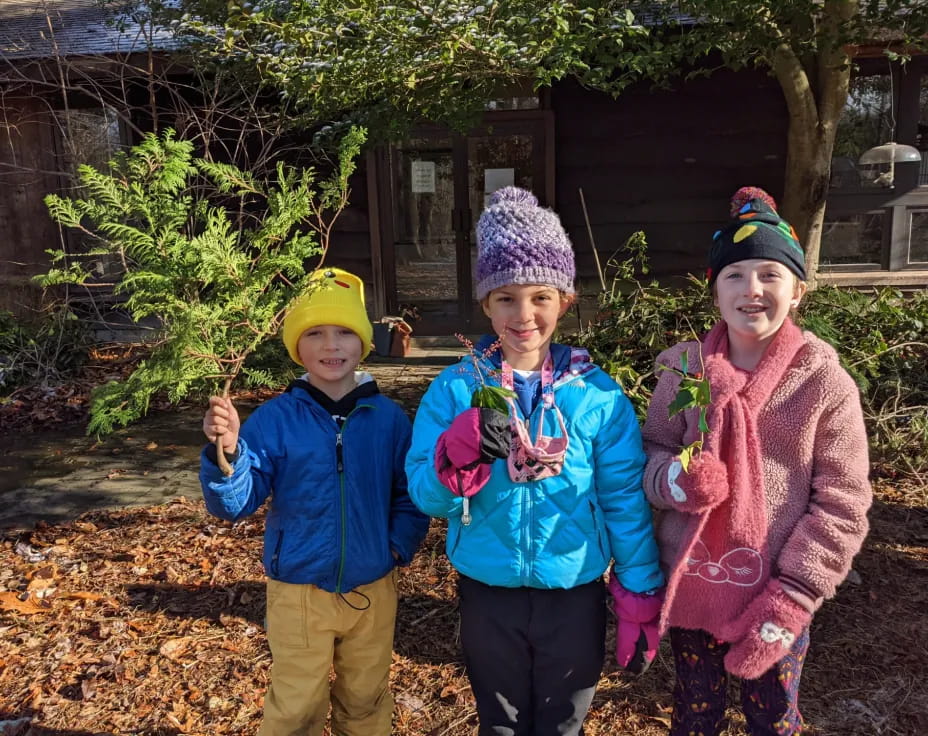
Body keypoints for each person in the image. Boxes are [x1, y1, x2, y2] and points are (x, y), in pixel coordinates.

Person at [405, 186, 665, 736]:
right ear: (484, 303)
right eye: (505, 298)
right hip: (487, 585)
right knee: (499, 722)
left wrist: (640, 590)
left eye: (540, 296)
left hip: (575, 588)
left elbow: (622, 498)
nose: (523, 315)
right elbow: (427, 497)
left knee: (562, 721)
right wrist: (456, 454)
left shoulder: (599, 396)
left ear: (564, 301)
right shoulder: (455, 391)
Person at [642, 188, 873, 736]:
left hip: (774, 592)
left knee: (773, 717)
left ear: (798, 290)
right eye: (735, 275)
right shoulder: (684, 371)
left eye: (771, 274)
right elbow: (650, 453)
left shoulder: (823, 383)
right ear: (714, 290)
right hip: (694, 585)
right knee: (695, 712)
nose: (753, 289)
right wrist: (674, 481)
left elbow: (842, 501)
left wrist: (793, 598)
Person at [199, 267, 429, 736]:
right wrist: (227, 455)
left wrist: (395, 547)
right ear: (296, 347)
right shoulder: (275, 420)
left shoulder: (388, 419)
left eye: (345, 332)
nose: (331, 346)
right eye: (316, 333)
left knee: (366, 698)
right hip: (299, 591)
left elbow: (411, 494)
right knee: (296, 703)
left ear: (363, 343)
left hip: (372, 586)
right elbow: (235, 504)